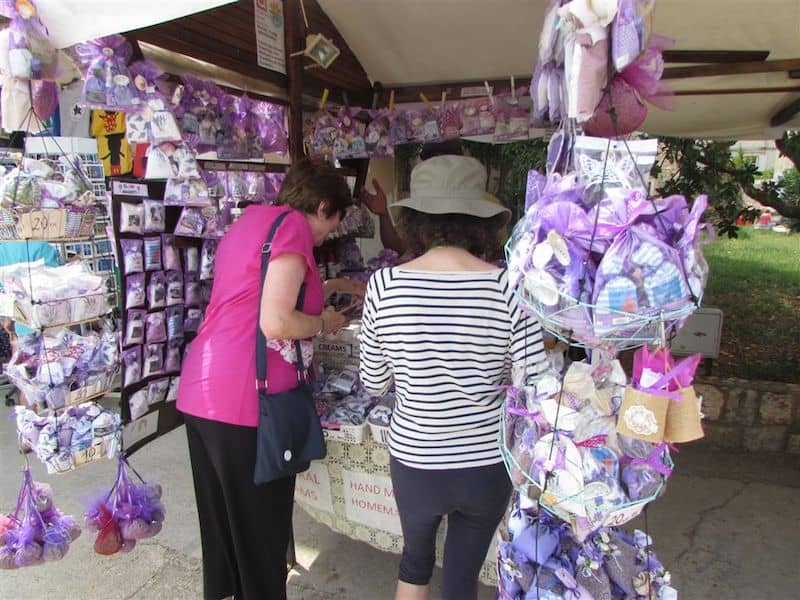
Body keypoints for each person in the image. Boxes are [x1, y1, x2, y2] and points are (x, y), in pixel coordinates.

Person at [358, 155, 548, 600]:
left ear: (417, 220)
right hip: (485, 463)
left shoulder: (384, 285)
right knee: (462, 582)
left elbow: (372, 382)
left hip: (416, 459)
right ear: (480, 222)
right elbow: (532, 387)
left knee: (415, 562)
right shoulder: (509, 287)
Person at [176, 158, 364, 600]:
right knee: (260, 542)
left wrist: (332, 283)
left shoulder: (253, 221)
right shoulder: (295, 228)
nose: (330, 232)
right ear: (322, 206)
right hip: (245, 400)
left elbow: (255, 289)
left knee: (225, 536)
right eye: (333, 221)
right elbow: (277, 321)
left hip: (203, 392)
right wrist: (325, 322)